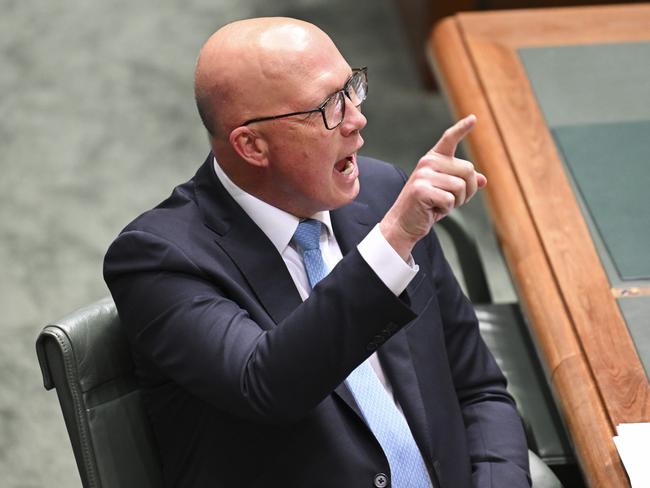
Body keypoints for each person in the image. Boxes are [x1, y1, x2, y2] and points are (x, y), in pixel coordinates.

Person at [104, 17, 530, 488]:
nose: (357, 118)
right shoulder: (156, 258)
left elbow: (478, 392)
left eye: (352, 89)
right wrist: (392, 242)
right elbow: (266, 384)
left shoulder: (384, 192)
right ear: (251, 145)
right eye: (328, 106)